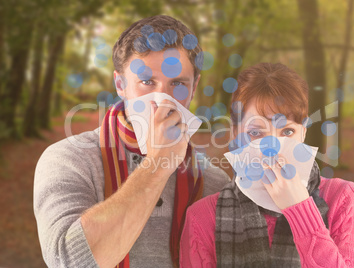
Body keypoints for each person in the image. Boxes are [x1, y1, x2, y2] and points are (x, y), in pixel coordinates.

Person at [33, 15, 230, 268]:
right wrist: (158, 164)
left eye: (177, 84)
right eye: (147, 82)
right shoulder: (68, 159)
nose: (162, 99)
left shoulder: (215, 182)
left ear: (194, 88)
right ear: (120, 84)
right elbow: (68, 261)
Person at [180, 63, 354, 267]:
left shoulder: (342, 199)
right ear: (235, 134)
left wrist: (300, 209)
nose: (273, 150)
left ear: (303, 132)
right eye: (255, 132)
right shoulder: (202, 218)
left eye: (287, 132)